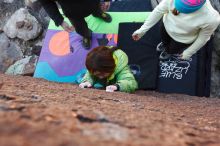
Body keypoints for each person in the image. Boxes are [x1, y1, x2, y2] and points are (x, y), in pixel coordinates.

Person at [132, 0, 220, 60]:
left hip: (182, 40)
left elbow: (203, 38)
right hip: (166, 26)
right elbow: (158, 11)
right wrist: (142, 30)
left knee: (172, 49)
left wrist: (188, 52)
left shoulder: (212, 18)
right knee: (164, 40)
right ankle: (165, 45)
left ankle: (168, 52)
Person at [39, 0, 112, 49]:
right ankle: (86, 35)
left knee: (97, 10)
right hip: (72, 12)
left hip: (93, 3)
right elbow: (46, 2)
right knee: (80, 28)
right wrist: (60, 20)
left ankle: (99, 14)